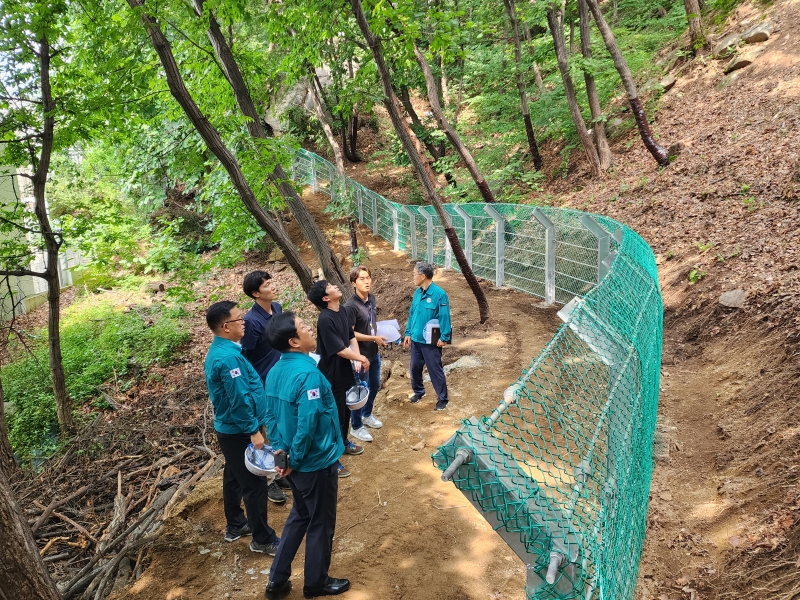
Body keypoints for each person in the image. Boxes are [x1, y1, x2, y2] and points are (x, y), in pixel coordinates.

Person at [263, 312, 350, 600]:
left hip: (292, 461)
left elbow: (270, 415)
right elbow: (308, 422)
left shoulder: (276, 370)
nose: (309, 328)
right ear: (294, 341)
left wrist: (280, 454)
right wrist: (296, 459)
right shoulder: (309, 374)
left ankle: (277, 581)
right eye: (303, 327)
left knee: (300, 514)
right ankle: (316, 583)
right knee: (320, 522)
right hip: (314, 462)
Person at [203, 301, 280, 555]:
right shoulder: (228, 359)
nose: (244, 322)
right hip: (238, 430)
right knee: (254, 484)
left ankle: (235, 524)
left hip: (233, 428)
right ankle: (263, 539)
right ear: (226, 327)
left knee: (234, 475)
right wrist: (253, 431)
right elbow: (239, 399)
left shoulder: (226, 351)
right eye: (239, 319)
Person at [307, 280, 369, 478]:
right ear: (326, 298)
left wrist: (357, 359)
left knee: (345, 411)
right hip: (330, 375)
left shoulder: (341, 310)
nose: (335, 286)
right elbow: (340, 350)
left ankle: (343, 443)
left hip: (345, 372)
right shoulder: (325, 319)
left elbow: (351, 338)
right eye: (330, 287)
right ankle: (333, 459)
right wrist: (360, 357)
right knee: (333, 416)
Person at [240, 270, 289, 504]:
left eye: (270, 282)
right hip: (262, 385)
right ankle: (268, 481)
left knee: (279, 430)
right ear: (255, 293)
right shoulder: (251, 322)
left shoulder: (277, 308)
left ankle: (279, 472)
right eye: (266, 284)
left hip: (281, 380)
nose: (272, 286)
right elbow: (246, 357)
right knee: (267, 434)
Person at [344, 266, 387, 442]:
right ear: (354, 283)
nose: (367, 281)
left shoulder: (372, 299)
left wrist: (382, 334)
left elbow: (370, 323)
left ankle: (367, 415)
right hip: (359, 356)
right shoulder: (350, 306)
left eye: (368, 277)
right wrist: (373, 338)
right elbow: (350, 334)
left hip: (373, 353)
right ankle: (356, 426)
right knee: (361, 390)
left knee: (375, 385)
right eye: (361, 279)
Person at [402, 262, 452, 411]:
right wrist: (408, 333)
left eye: (414, 275)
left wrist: (444, 337)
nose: (413, 278)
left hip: (431, 340)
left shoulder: (439, 294)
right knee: (415, 367)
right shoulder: (417, 293)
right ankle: (419, 391)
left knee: (434, 369)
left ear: (423, 276)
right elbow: (412, 314)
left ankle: (442, 398)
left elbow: (444, 317)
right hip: (416, 338)